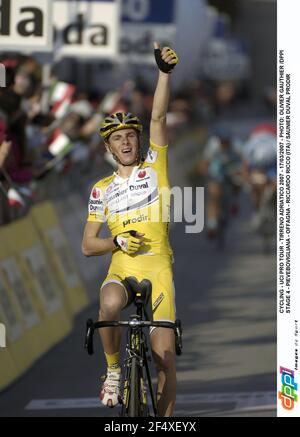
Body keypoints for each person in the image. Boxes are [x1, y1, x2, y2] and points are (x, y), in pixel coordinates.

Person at [81, 42, 179, 417]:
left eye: (130, 135)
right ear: (109, 147)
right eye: (117, 138)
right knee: (107, 304)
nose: (125, 141)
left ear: (138, 141)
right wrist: (115, 241)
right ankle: (113, 370)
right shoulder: (101, 189)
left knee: (165, 359)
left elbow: (157, 116)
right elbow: (88, 245)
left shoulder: (155, 167)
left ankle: (164, 423)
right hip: (122, 267)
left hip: (158, 267)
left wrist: (163, 74)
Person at [198, 126, 241, 238]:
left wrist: (242, 173)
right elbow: (205, 161)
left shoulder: (237, 145)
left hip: (232, 169)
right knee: (214, 195)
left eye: (227, 141)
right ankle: (212, 224)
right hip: (216, 171)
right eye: (222, 142)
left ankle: (234, 201)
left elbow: (244, 160)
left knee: (238, 182)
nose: (225, 144)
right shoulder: (213, 145)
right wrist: (204, 173)